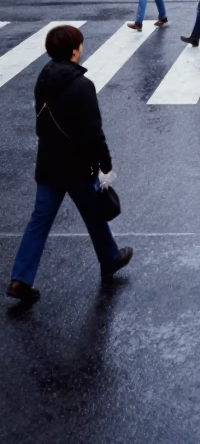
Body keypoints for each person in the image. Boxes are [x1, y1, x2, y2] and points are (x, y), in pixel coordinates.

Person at [5, 24, 132, 304]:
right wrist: (106, 164)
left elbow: (41, 122)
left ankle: (20, 279)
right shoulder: (81, 85)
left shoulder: (43, 78)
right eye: (81, 45)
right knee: (94, 215)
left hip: (49, 163)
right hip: (77, 166)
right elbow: (92, 130)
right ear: (74, 51)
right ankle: (110, 259)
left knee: (39, 222)